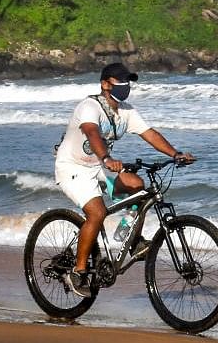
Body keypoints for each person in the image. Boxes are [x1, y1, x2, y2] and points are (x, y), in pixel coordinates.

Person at [54, 62, 195, 296]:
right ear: (105, 84)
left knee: (138, 187)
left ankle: (131, 238)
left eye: (127, 82)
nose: (125, 86)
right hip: (73, 167)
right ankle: (77, 272)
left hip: (99, 167)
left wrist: (175, 154)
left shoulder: (126, 111)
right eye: (120, 82)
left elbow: (149, 133)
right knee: (97, 213)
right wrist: (107, 158)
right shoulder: (89, 107)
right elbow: (92, 132)